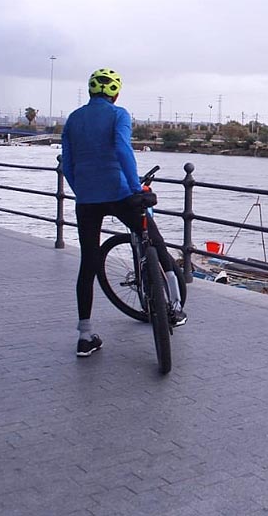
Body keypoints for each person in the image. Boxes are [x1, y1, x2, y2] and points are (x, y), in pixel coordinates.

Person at [61, 68, 186, 358]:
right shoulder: (119, 115)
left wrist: (82, 190)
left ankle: (85, 335)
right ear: (115, 94)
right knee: (154, 239)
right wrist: (135, 189)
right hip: (120, 193)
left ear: (90, 91)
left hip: (87, 199)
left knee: (88, 263)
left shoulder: (74, 119)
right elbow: (122, 149)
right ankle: (175, 306)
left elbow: (67, 164)